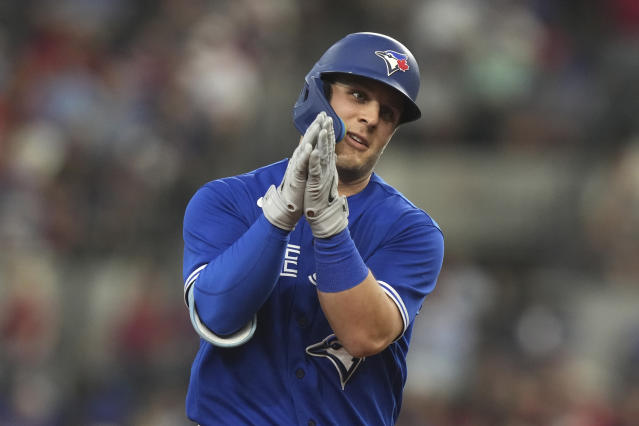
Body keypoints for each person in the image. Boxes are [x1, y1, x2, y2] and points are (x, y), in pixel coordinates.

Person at [182, 32, 444, 425]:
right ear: (318, 95)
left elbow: (365, 335)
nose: (371, 117)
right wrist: (279, 216)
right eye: (357, 95)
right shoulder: (227, 200)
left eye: (387, 113)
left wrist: (328, 225)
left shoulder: (410, 230)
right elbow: (217, 314)